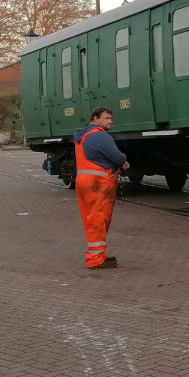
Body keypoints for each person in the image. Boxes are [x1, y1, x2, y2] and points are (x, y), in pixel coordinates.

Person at [73, 106, 130, 269]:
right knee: (98, 219)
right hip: (97, 183)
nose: (110, 121)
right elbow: (116, 156)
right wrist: (123, 160)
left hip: (84, 182)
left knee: (92, 219)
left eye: (111, 118)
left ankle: (99, 255)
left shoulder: (82, 135)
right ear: (95, 118)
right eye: (106, 118)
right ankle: (95, 259)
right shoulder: (99, 136)